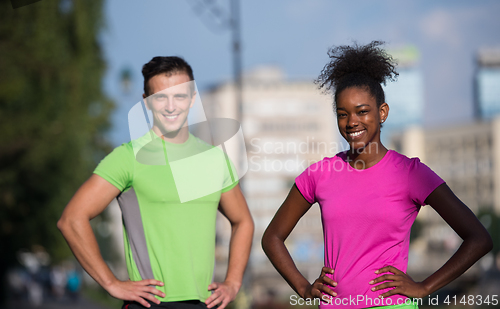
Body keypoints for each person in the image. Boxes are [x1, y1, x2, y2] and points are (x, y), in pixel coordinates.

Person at [261, 41, 493, 309]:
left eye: (362, 111)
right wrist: (303, 287)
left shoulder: (410, 174)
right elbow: (272, 237)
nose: (351, 122)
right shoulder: (320, 174)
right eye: (342, 114)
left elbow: (479, 238)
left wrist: (424, 287)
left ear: (382, 112)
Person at [58, 56, 254, 309]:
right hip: (149, 304)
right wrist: (110, 283)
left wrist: (233, 282)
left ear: (193, 99)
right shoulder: (128, 158)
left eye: (180, 96)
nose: (171, 106)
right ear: (146, 102)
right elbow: (71, 220)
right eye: (161, 97)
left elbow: (243, 221)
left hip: (203, 303)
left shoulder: (214, 160)